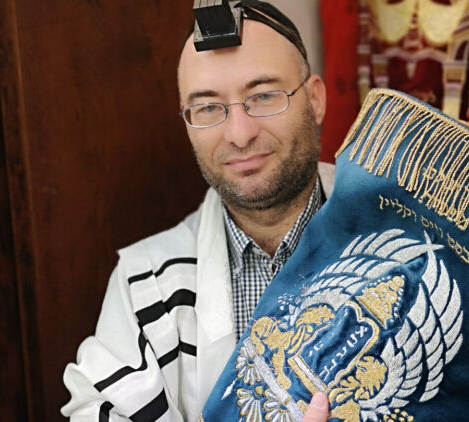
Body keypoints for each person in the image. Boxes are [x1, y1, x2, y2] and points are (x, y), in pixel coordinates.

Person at [62, 2, 331, 420]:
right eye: (207, 107)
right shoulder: (145, 285)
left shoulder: (408, 230)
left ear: (314, 100)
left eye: (263, 96)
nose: (239, 134)